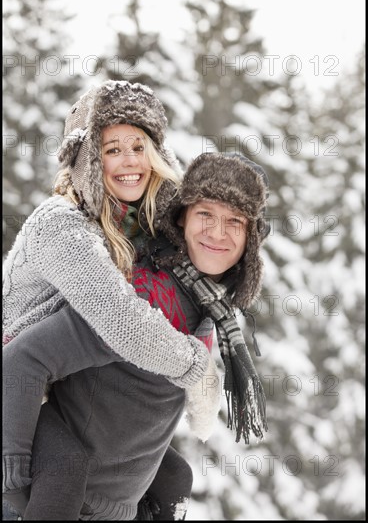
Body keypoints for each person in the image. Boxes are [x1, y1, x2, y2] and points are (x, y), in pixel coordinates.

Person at [4, 149, 270, 520]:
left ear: (252, 240)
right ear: (181, 219)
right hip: (56, 496)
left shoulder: (207, 301)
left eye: (235, 221)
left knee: (176, 478)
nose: (217, 232)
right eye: (205, 213)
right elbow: (23, 358)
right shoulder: (141, 296)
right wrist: (12, 481)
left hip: (114, 499)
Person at [2, 80, 218, 519]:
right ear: (86, 158)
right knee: (64, 472)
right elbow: (123, 323)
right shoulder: (62, 225)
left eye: (138, 146)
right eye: (111, 148)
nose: (129, 161)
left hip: (55, 386)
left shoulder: (139, 225)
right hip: (15, 390)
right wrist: (197, 367)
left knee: (172, 477)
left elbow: (195, 276)